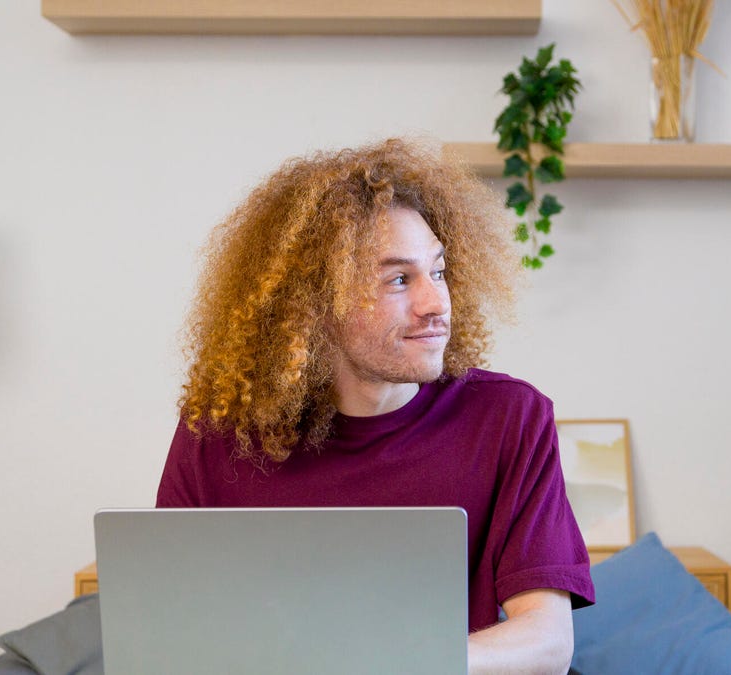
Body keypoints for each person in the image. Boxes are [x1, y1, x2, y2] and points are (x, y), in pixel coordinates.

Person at [156, 138, 594, 674]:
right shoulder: (218, 435)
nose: (436, 304)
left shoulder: (509, 418)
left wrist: (397, 662)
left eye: (437, 271)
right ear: (314, 305)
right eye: (397, 280)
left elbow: (548, 643)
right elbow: (171, 636)